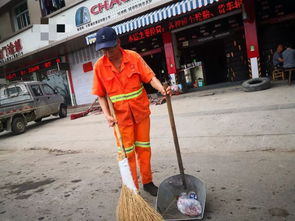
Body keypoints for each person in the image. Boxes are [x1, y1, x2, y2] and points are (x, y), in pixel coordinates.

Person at [92, 27, 171, 196]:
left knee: (144, 149)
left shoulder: (133, 57)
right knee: (127, 154)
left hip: (140, 113)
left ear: (118, 42)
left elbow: (150, 77)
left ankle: (148, 182)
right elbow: (100, 95)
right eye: (103, 49)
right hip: (120, 119)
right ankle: (132, 188)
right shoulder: (99, 66)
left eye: (110, 48)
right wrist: (107, 115)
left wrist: (162, 89)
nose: (107, 53)